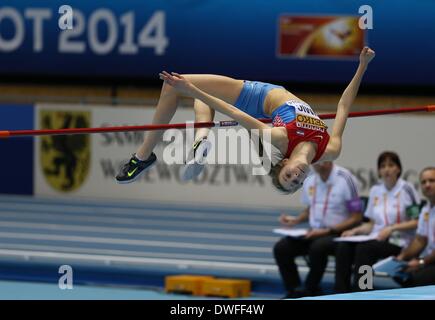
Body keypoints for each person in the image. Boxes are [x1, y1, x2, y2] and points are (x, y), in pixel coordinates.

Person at [115, 47, 376, 193]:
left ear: (283, 163)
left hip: (259, 98)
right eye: (297, 182)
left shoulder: (280, 138)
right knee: (197, 94)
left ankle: (144, 156)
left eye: (288, 177)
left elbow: (235, 113)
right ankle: (200, 141)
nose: (297, 177)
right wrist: (362, 65)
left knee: (175, 87)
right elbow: (343, 105)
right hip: (267, 107)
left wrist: (190, 89)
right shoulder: (330, 150)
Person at [273, 161, 363, 298]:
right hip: (315, 232)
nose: (320, 161)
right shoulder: (310, 180)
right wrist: (296, 219)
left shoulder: (346, 178)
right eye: (317, 159)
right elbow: (310, 209)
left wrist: (328, 231)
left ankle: (310, 289)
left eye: (323, 157)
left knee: (318, 247)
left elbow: (356, 217)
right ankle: (294, 290)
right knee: (281, 248)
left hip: (338, 234)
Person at [334, 151, 421, 293]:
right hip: (376, 238)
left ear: (398, 169)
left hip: (399, 241)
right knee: (344, 245)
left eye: (391, 165)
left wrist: (392, 228)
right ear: (379, 171)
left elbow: (416, 221)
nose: (386, 169)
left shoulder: (407, 189)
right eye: (383, 166)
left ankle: (363, 290)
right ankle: (341, 291)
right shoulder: (375, 190)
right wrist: (354, 231)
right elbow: (371, 224)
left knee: (365, 249)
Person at [394, 167, 435, 287]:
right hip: (429, 260)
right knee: (400, 274)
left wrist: (421, 262)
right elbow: (419, 240)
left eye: (432, 181)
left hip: (430, 261)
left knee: (415, 279)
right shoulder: (426, 210)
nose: (427, 185)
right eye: (423, 182)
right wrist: (401, 257)